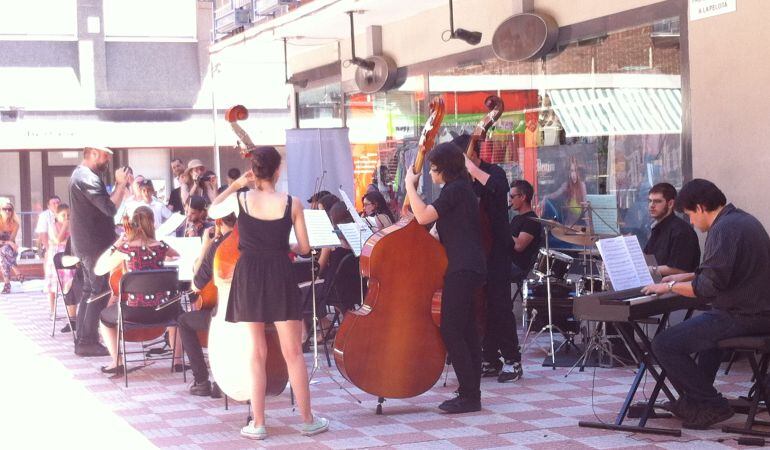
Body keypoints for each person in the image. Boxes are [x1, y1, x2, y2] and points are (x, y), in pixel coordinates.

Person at [210, 146, 328, 440]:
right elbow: (303, 248)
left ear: (254, 170)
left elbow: (213, 210)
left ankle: (259, 423)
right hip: (279, 273)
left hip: (248, 274)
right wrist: (281, 247)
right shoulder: (293, 202)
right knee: (293, 353)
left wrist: (237, 184)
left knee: (256, 352)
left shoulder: (240, 200)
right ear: (278, 171)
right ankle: (308, 420)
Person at [642, 179, 770, 429]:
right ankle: (694, 402)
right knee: (705, 337)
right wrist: (687, 276)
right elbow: (728, 270)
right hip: (757, 311)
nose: (690, 221)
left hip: (746, 315)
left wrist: (666, 286)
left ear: (700, 208)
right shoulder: (742, 220)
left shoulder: (723, 230)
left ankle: (712, 404)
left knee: (664, 343)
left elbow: (707, 288)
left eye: (690, 214)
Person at [404, 141, 486, 414]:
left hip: (462, 267)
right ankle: (471, 392)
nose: (430, 173)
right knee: (466, 331)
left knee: (452, 329)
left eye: (433, 169)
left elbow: (425, 216)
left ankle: (469, 395)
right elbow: (436, 229)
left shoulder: (455, 190)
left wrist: (409, 188)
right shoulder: (461, 190)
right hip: (469, 265)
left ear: (444, 169)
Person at [461, 133, 524, 384]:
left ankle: (512, 360)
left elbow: (497, 189)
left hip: (497, 250)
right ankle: (489, 357)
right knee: (480, 307)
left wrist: (471, 168)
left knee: (499, 306)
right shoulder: (464, 181)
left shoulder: (494, 172)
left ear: (473, 154)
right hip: (475, 251)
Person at [94, 206, 182, 374]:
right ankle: (177, 362)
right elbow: (178, 257)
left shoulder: (125, 249)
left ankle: (117, 362)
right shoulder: (161, 246)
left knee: (104, 319)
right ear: (152, 224)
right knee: (178, 311)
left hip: (133, 312)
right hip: (163, 311)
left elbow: (99, 269)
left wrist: (116, 244)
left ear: (132, 225)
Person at [69, 146, 131, 357]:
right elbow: (110, 208)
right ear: (94, 153)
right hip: (94, 245)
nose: (108, 161)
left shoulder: (82, 174)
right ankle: (87, 341)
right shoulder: (88, 178)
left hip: (88, 244)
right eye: (105, 156)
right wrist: (121, 184)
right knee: (99, 291)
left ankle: (84, 340)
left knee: (90, 291)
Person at [177, 213, 236, 396]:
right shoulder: (254, 243)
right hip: (252, 311)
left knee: (184, 321)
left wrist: (205, 246)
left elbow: (196, 284)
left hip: (223, 313)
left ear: (218, 222)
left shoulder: (218, 246)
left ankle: (202, 381)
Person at [644, 183, 700, 277]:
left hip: (674, 289)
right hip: (656, 285)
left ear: (670, 204)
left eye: (657, 201)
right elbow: (648, 256)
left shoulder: (682, 231)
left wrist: (647, 270)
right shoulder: (657, 227)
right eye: (650, 201)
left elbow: (680, 269)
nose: (651, 205)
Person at [44, 204, 77, 329]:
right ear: (57, 216)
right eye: (63, 215)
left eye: (69, 215)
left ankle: (73, 314)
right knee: (53, 286)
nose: (67, 217)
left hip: (69, 255)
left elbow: (73, 240)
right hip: (57, 256)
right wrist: (64, 226)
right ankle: (52, 310)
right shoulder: (53, 226)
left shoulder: (73, 225)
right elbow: (58, 239)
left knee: (70, 284)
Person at [539, 156, 587, 225]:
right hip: (568, 223)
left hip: (580, 223)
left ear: (579, 172)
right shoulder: (566, 185)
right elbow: (555, 194)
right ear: (569, 172)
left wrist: (589, 225)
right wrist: (545, 197)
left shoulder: (582, 185)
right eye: (572, 171)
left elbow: (586, 206)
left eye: (576, 171)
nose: (574, 174)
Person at [0, 201, 24, 294]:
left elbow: (11, 239)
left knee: (3, 253)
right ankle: (16, 270)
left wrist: (8, 243)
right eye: (4, 209)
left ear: (12, 211)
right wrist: (8, 242)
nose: (7, 211)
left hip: (9, 249)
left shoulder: (15, 224)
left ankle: (7, 284)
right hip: (7, 248)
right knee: (4, 251)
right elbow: (10, 242)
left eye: (9, 209)